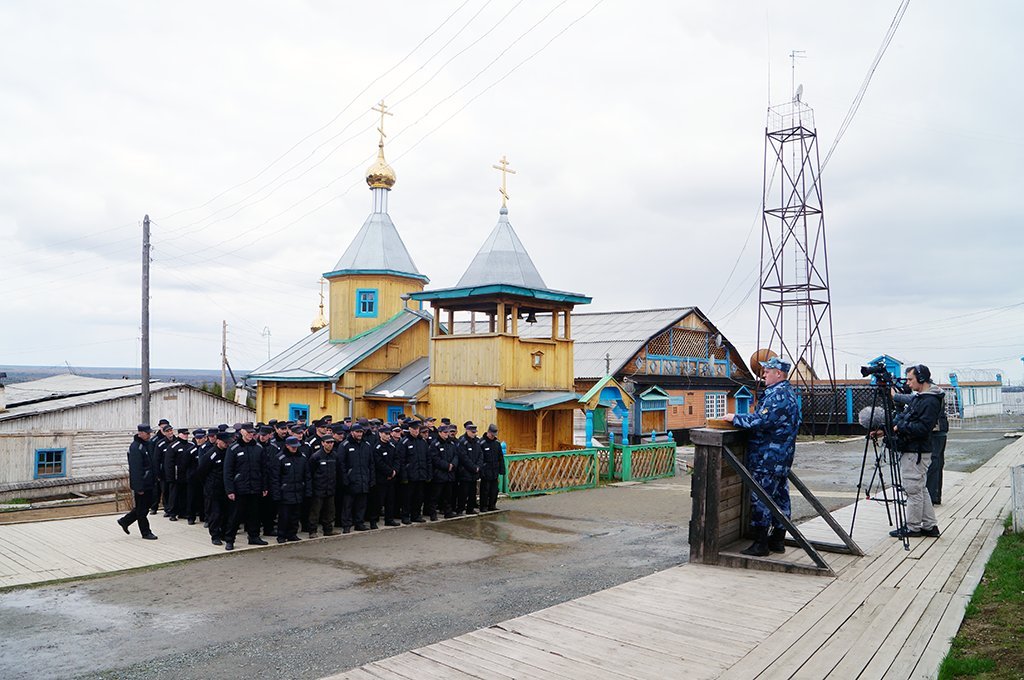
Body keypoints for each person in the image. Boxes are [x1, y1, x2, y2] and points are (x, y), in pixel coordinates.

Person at [723, 356, 801, 557]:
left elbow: (760, 420)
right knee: (780, 496)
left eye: (767, 371)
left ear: (778, 374)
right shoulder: (789, 394)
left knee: (761, 498)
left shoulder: (777, 395)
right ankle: (778, 539)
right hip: (781, 458)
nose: (763, 374)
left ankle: (761, 543)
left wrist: (734, 418)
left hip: (767, 457)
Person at [889, 365, 943, 538]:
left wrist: (899, 427)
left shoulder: (930, 400)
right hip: (915, 451)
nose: (908, 383)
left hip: (916, 452)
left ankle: (912, 527)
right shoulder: (922, 398)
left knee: (912, 489)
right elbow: (908, 417)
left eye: (910, 379)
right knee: (920, 489)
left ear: (921, 379)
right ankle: (929, 525)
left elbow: (923, 427)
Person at [222, 423, 270, 550]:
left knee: (254, 515)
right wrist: (230, 490)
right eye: (248, 432)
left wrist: (264, 487)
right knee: (235, 516)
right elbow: (228, 471)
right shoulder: (233, 448)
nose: (251, 435)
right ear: (242, 432)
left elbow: (264, 469)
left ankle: (254, 537)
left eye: (252, 433)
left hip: (255, 487)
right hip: (239, 489)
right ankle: (230, 539)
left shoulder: (259, 448)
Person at [117, 424, 159, 540]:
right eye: (147, 433)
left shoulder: (147, 445)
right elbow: (135, 470)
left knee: (144, 507)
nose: (149, 435)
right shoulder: (136, 447)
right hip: (142, 484)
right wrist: (138, 487)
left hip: (149, 482)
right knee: (142, 510)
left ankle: (125, 521)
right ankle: (145, 532)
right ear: (140, 433)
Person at [270, 436, 311, 543]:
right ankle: (281, 535)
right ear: (287, 446)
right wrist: (277, 494)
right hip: (285, 493)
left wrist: (307, 490)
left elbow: (307, 475)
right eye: (292, 447)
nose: (294, 448)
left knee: (295, 516)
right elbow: (275, 478)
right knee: (284, 516)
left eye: (296, 447)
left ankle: (292, 534)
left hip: (298, 491)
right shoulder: (280, 458)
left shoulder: (302, 457)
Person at [339, 424, 375, 532]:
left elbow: (371, 463)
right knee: (348, 505)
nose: (359, 434)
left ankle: (359, 523)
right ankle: (346, 525)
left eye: (361, 432)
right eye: (357, 432)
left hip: (364, 479)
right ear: (352, 432)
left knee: (361, 504)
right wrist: (345, 479)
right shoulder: (345, 445)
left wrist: (371, 478)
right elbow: (341, 464)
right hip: (351, 481)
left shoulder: (367, 445)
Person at [308, 436, 338, 538]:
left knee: (330, 511)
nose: (330, 444)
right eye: (328, 442)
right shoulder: (316, 456)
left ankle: (328, 530)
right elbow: (310, 473)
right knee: (315, 512)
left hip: (330, 488)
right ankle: (312, 531)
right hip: (318, 488)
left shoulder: (334, 456)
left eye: (332, 442)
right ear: (323, 443)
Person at [430, 425, 459, 519]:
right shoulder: (435, 444)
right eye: (445, 432)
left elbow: (456, 455)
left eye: (448, 432)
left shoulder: (451, 443)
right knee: (435, 496)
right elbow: (435, 459)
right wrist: (447, 466)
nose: (447, 434)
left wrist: (453, 464)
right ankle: (433, 514)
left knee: (448, 495)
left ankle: (448, 512)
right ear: (440, 433)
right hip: (439, 474)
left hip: (449, 474)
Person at [455, 422, 483, 515]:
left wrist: (478, 466)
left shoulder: (477, 441)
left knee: (472, 492)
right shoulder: (462, 442)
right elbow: (463, 458)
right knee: (463, 492)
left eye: (475, 432)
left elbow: (480, 455)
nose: (474, 434)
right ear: (467, 431)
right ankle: (460, 509)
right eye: (472, 432)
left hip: (474, 472)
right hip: (465, 472)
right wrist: (473, 467)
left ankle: (470, 509)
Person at [479, 424, 505, 512]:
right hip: (486, 470)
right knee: (485, 490)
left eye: (494, 435)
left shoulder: (497, 443)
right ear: (488, 432)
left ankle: (492, 505)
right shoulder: (482, 443)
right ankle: (483, 506)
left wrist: (502, 469)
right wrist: (481, 470)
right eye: (492, 435)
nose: (493, 436)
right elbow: (479, 458)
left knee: (494, 490)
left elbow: (500, 457)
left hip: (495, 470)